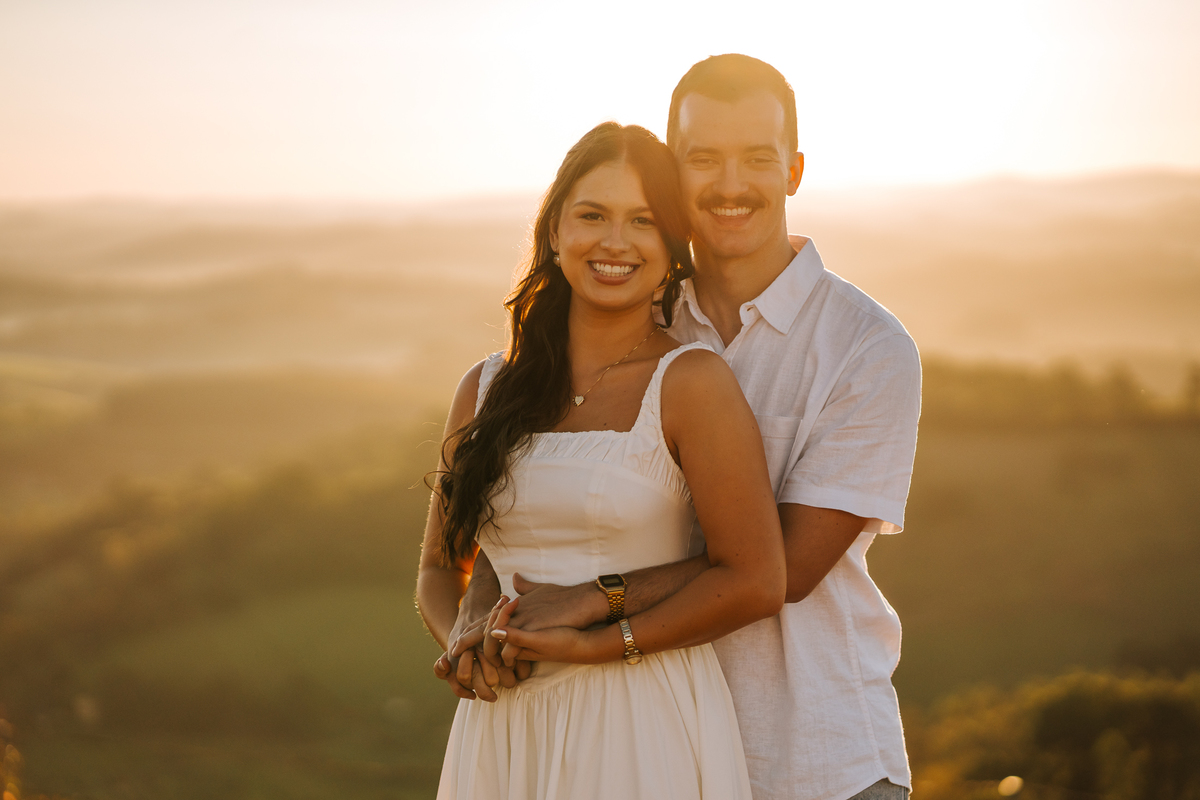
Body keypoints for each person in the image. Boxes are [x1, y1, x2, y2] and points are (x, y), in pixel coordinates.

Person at [440, 55, 922, 800]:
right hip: (636, 748)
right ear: (676, 177)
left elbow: (779, 569)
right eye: (704, 160)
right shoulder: (634, 321)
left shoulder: (866, 347)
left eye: (757, 159)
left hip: (812, 759)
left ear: (792, 171)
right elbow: (532, 510)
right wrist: (480, 613)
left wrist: (596, 600)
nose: (731, 185)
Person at [416, 121, 787, 799]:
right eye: (593, 215)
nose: (615, 242)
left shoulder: (691, 383)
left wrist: (600, 640)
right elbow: (442, 567)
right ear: (554, 229)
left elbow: (755, 578)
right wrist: (466, 640)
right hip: (505, 724)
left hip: (642, 718)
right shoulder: (485, 387)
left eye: (643, 221)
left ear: (673, 248)